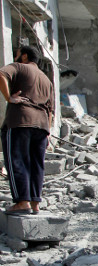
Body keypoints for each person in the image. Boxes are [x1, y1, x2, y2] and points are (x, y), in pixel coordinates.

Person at [0, 46, 54, 215]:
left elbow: (1, 74)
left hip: (20, 121)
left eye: (18, 55)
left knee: (17, 161)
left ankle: (22, 202)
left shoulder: (19, 67)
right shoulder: (46, 79)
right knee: (36, 165)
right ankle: (34, 203)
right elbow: (50, 110)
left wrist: (9, 97)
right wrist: (48, 133)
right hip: (42, 125)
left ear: (24, 56)